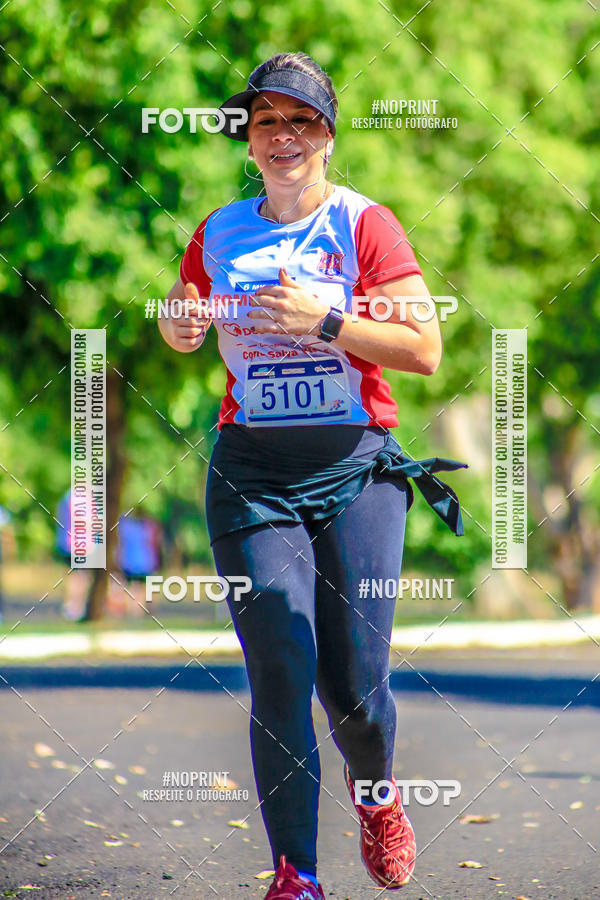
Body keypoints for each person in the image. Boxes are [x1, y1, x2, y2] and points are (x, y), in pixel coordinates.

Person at [158, 52, 466, 899]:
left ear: (326, 135)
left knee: (355, 696)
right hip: (252, 471)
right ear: (249, 140)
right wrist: (180, 330)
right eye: (266, 121)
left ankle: (378, 797)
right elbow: (185, 319)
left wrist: (326, 319)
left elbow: (424, 352)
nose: (283, 135)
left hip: (356, 470)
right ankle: (296, 875)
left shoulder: (366, 226)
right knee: (282, 667)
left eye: (300, 121)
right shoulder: (218, 230)